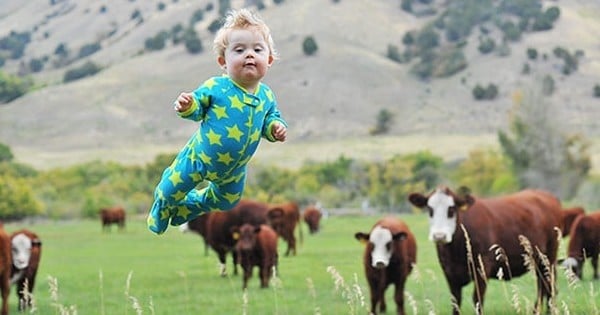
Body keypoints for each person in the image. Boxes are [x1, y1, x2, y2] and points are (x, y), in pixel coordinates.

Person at [147, 8, 287, 235]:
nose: (249, 55)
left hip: (234, 170)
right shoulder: (217, 87)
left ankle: (190, 206)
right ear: (223, 61)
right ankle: (162, 206)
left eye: (257, 49)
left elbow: (271, 120)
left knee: (226, 202)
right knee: (170, 189)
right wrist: (188, 105)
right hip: (199, 159)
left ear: (269, 60)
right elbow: (197, 106)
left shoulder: (267, 96)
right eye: (239, 50)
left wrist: (275, 129)